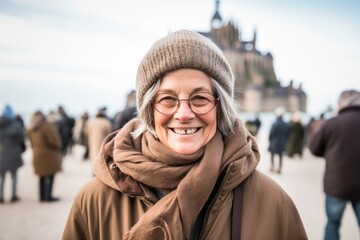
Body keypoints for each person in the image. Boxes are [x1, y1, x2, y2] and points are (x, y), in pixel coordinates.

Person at [62, 30, 307, 239]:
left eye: (200, 98)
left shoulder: (274, 204)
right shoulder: (93, 201)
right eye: (167, 99)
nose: (184, 113)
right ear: (148, 108)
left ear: (221, 106)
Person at [309, 89, 360, 240]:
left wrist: (330, 153)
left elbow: (314, 148)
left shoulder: (330, 124)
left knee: (333, 223)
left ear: (340, 104)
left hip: (337, 185)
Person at [26, 111, 62, 202]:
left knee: (41, 176)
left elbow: (30, 141)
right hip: (49, 155)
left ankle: (42, 196)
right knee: (50, 175)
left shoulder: (31, 128)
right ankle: (48, 196)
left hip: (37, 154)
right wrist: (58, 145)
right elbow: (54, 141)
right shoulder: (46, 126)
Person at [0, 105, 24, 203]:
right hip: (14, 152)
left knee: (2, 176)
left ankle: (1, 196)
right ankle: (13, 195)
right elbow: (21, 138)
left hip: (1, 152)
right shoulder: (16, 125)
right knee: (14, 175)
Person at [268, 106, 289, 174]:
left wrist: (270, 140)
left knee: (272, 155)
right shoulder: (286, 124)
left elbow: (271, 134)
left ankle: (272, 167)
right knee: (281, 156)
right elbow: (288, 134)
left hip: (274, 142)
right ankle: (280, 168)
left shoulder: (275, 123)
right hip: (282, 142)